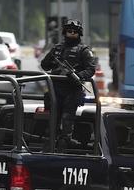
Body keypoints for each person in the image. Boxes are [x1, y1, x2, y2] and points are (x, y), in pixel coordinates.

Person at [40, 19, 98, 152]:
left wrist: (77, 75)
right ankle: (47, 150)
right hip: (56, 90)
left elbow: (91, 70)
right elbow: (44, 65)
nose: (71, 34)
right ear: (64, 32)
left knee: (67, 123)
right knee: (52, 123)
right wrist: (56, 65)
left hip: (72, 90)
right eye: (68, 31)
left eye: (74, 32)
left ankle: (62, 150)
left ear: (79, 34)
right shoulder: (57, 49)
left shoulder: (84, 50)